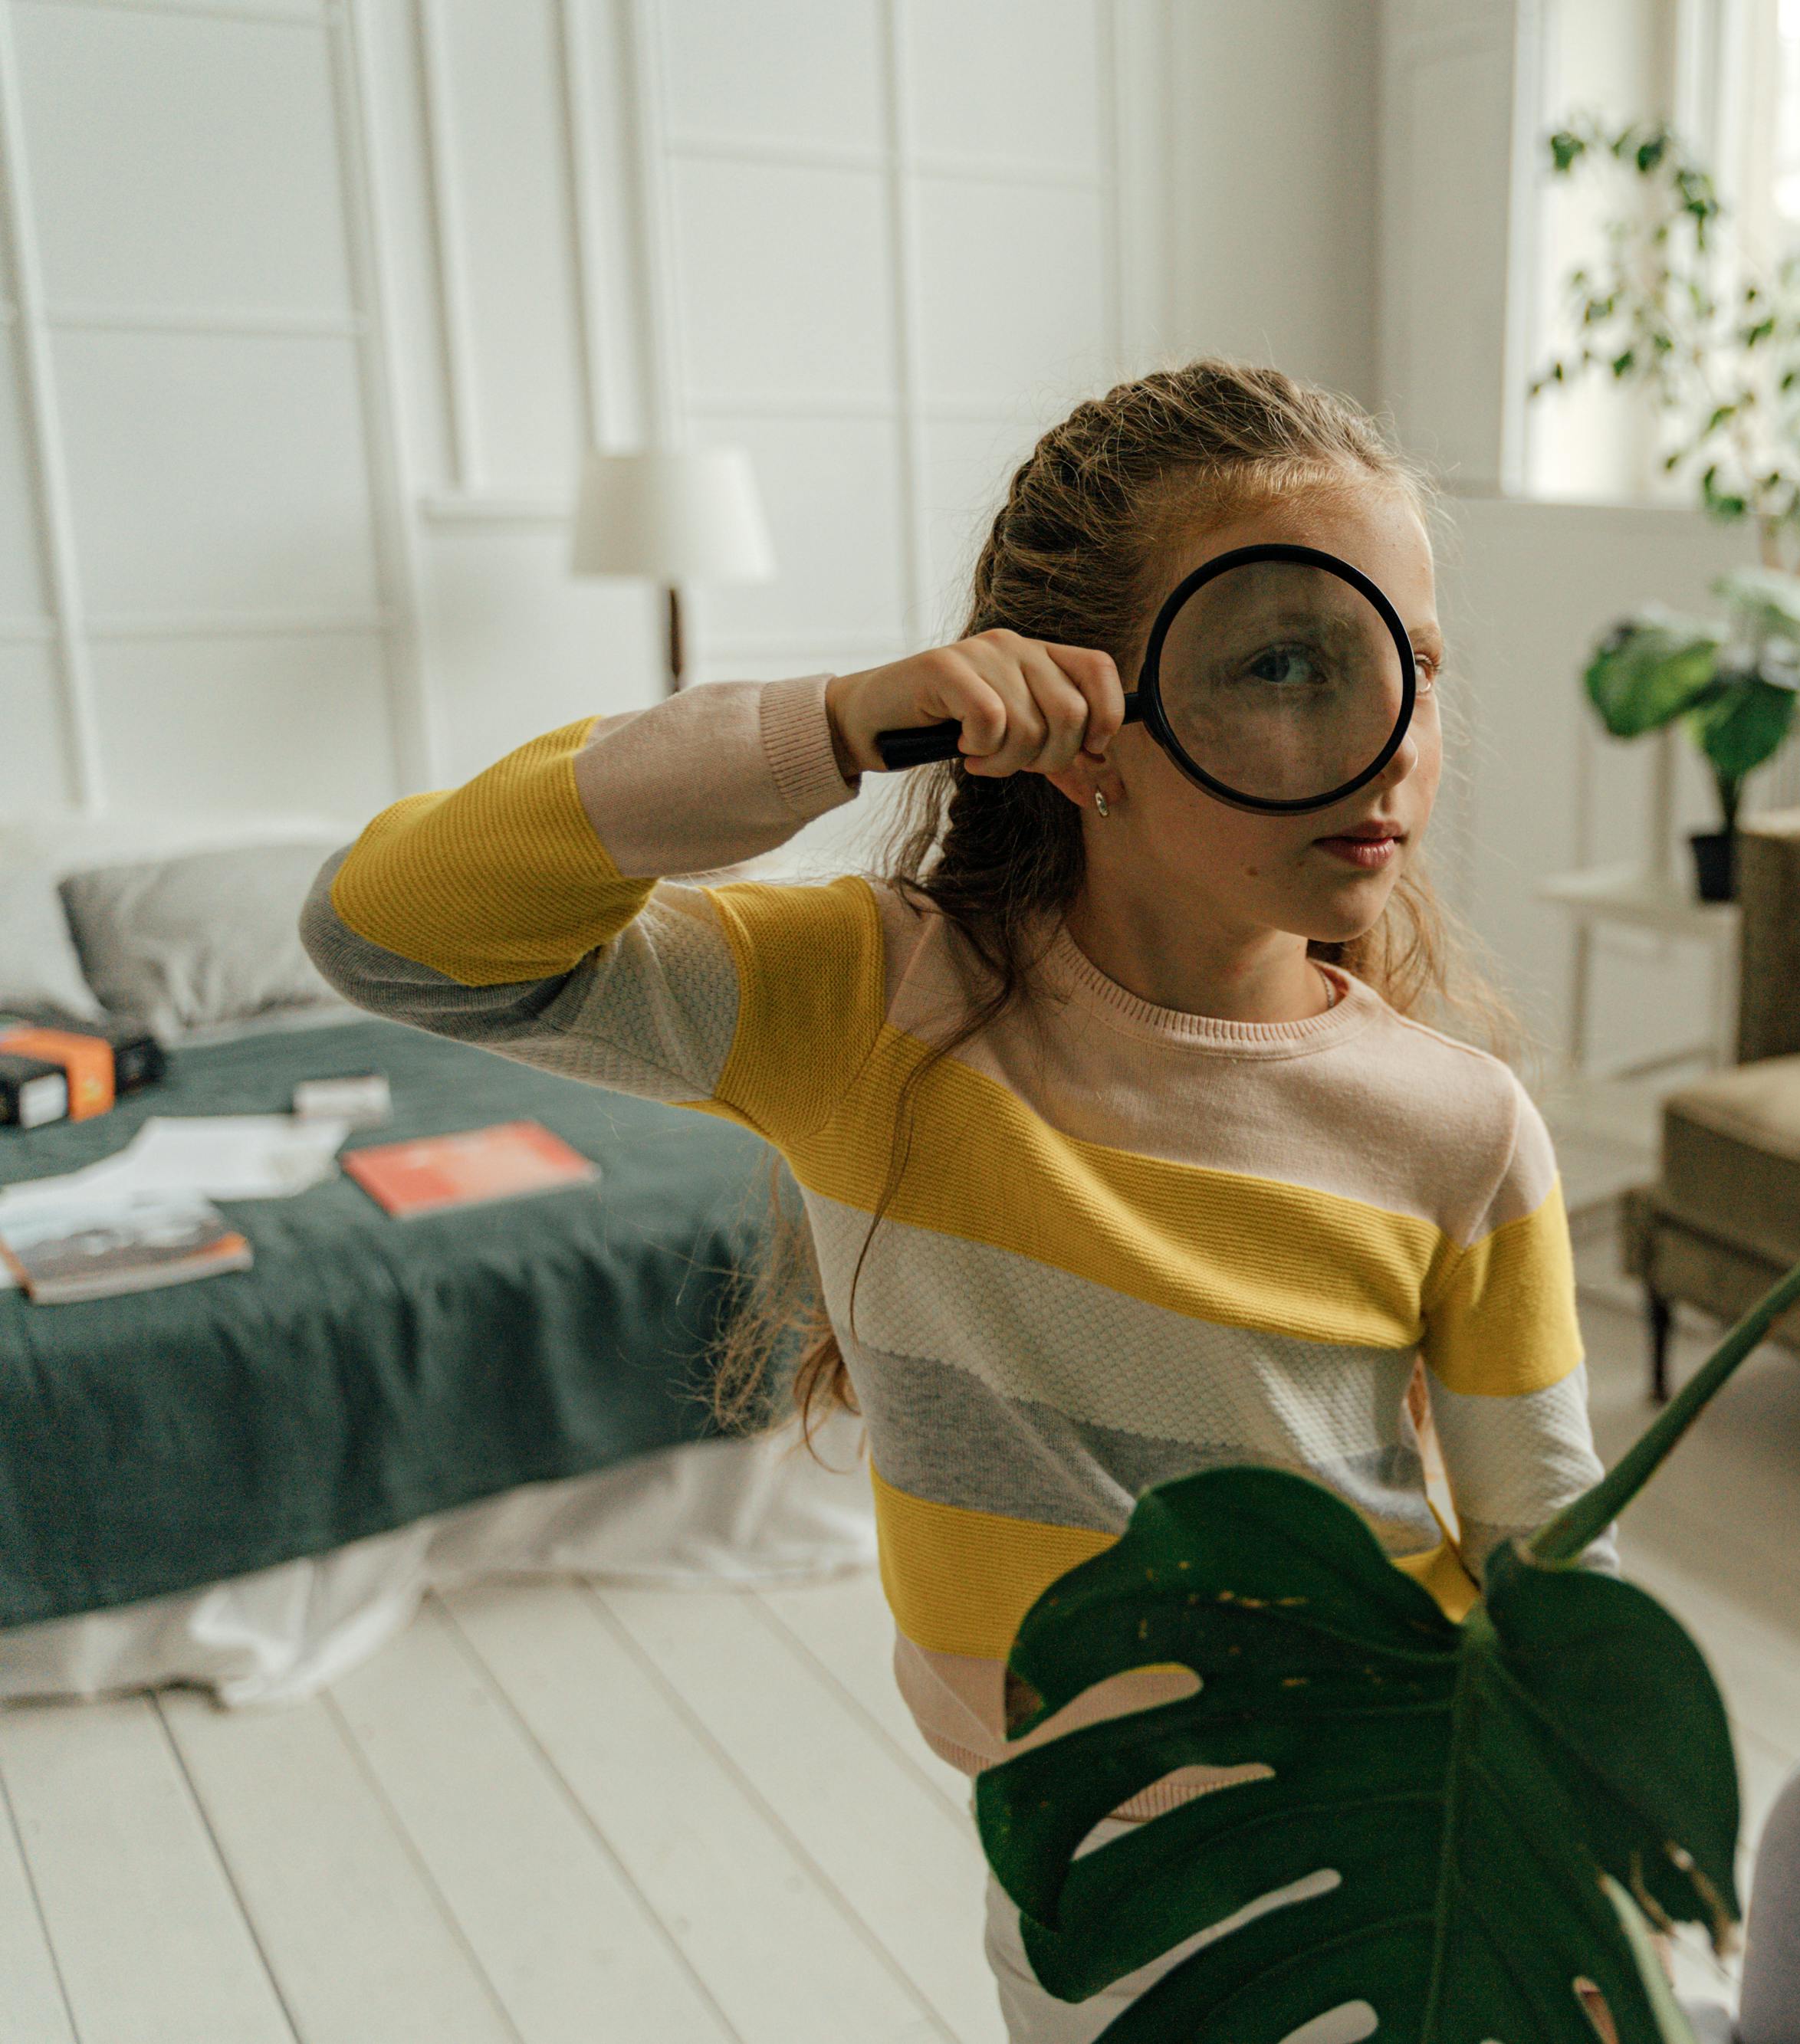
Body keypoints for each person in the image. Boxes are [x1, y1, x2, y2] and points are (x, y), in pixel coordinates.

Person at [300, 359, 1616, 2039]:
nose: (1393, 743)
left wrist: (1585, 1878)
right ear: (1078, 735)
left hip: (1410, 1831)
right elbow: (383, 927)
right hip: (1082, 1876)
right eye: (1289, 660)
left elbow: (1548, 1539)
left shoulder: (1460, 1125)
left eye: (1413, 666)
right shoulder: (862, 1008)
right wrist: (837, 722)